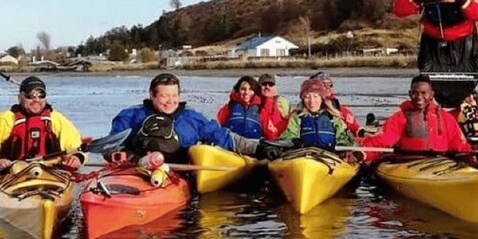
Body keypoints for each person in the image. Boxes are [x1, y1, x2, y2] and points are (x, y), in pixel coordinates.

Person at [110, 73, 275, 163]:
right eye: (164, 96)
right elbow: (111, 145)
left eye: (174, 95)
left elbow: (225, 138)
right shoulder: (129, 116)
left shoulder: (192, 118)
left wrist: (259, 149)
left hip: (177, 174)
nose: (171, 101)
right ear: (152, 95)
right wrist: (122, 154)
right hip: (137, 170)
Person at [0, 76, 85, 172]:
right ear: (20, 98)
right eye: (30, 95)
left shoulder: (59, 121)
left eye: (41, 95)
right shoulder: (1, 121)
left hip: (51, 174)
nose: (36, 99)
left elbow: (76, 148)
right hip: (11, 174)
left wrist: (77, 158)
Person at [358, 75, 471, 162]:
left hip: (441, 163)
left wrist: (471, 160)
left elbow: (460, 144)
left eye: (423, 93)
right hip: (410, 163)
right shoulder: (401, 117)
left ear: (431, 95)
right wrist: (363, 154)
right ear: (409, 94)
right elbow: (381, 141)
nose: (419, 97)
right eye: (415, 93)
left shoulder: (446, 119)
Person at [279, 78, 355, 150]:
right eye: (307, 97)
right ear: (303, 100)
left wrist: (342, 145)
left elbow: (344, 137)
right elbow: (289, 136)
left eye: (315, 96)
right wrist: (294, 142)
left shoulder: (333, 117)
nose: (312, 101)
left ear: (321, 98)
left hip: (329, 154)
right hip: (304, 154)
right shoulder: (297, 117)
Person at [307, 70, 363, 137]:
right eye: (323, 85)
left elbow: (356, 129)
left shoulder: (342, 111)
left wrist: (365, 134)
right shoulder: (302, 112)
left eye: (330, 85)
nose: (328, 88)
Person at [258, 73, 290, 140]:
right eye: (264, 84)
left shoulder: (282, 102)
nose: (267, 87)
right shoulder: (254, 103)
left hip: (278, 139)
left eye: (270, 85)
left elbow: (287, 123)